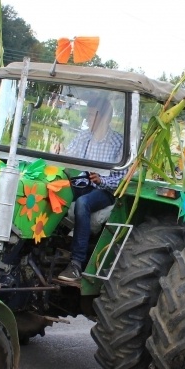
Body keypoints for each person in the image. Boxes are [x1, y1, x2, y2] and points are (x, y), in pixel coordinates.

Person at [57, 95, 124, 284]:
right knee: (55, 192)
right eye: (87, 114)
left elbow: (120, 181)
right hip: (83, 184)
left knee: (82, 203)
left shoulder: (118, 143)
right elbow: (69, 157)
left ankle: (76, 263)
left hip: (105, 191)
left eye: (90, 115)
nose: (86, 119)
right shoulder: (83, 136)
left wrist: (101, 180)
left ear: (104, 117)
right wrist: (60, 153)